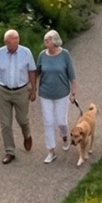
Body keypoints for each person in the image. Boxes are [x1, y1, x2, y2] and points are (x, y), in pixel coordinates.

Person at [0, 29, 37, 164]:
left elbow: (32, 71)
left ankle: (27, 134)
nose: (14, 43)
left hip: (21, 90)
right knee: (5, 123)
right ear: (6, 42)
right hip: (3, 91)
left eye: (16, 40)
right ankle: (10, 151)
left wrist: (33, 90)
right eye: (11, 42)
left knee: (22, 119)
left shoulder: (26, 53)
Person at [36, 30, 76, 164]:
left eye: (48, 40)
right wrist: (32, 87)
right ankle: (51, 151)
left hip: (62, 93)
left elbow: (72, 75)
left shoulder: (65, 55)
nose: (45, 42)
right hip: (45, 93)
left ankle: (65, 136)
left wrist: (73, 93)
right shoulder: (42, 55)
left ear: (55, 41)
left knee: (61, 121)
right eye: (45, 40)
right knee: (48, 121)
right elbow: (37, 73)